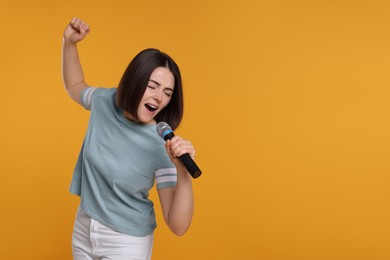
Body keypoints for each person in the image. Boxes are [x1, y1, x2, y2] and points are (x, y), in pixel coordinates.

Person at [62, 17, 196, 260]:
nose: (159, 97)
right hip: (84, 228)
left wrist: (183, 172)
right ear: (135, 80)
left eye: (167, 93)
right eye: (152, 85)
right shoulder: (105, 101)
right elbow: (75, 85)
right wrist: (69, 44)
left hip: (126, 242)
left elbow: (178, 225)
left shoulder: (161, 145)